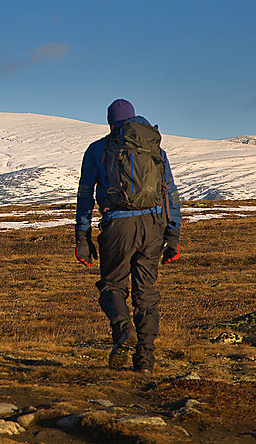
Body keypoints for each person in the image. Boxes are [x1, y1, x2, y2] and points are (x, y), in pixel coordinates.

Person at [74, 98, 182, 374]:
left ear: (110, 122)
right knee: (145, 293)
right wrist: (173, 234)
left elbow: (85, 195)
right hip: (153, 225)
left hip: (118, 227)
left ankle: (124, 332)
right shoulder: (154, 147)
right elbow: (170, 192)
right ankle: (145, 360)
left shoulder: (98, 149)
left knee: (112, 286)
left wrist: (82, 239)